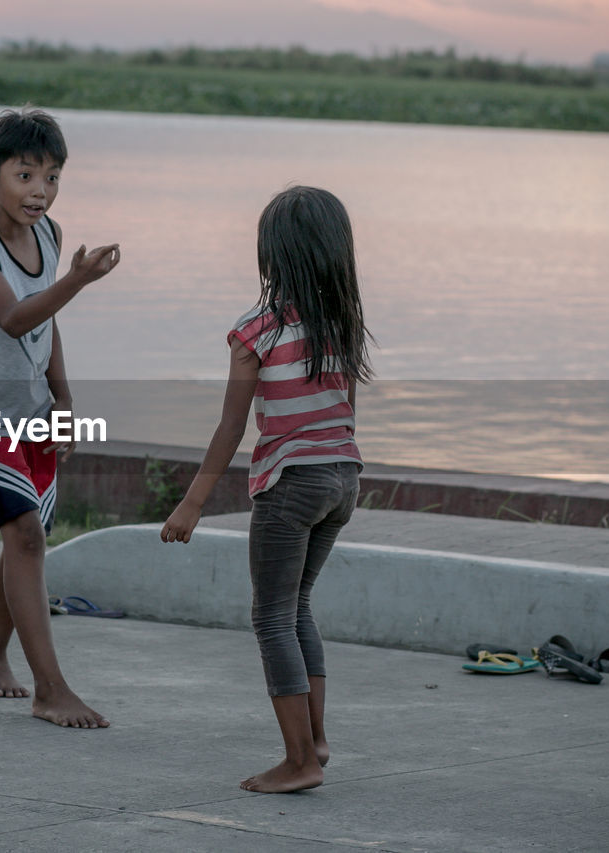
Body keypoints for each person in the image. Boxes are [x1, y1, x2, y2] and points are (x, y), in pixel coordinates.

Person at [160, 186, 372, 791]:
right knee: (299, 607)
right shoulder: (344, 327)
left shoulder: (256, 332)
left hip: (291, 485)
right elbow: (345, 412)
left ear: (271, 257)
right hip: (343, 480)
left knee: (271, 618)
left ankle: (300, 761)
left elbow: (231, 427)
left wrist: (192, 503)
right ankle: (318, 740)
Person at [0, 106, 120, 728]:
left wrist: (65, 402)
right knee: (25, 534)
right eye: (25, 175)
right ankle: (51, 689)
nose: (39, 191)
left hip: (35, 410)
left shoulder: (48, 234)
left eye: (52, 177)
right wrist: (78, 282)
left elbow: (46, 323)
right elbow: (15, 317)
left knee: (25, 539)